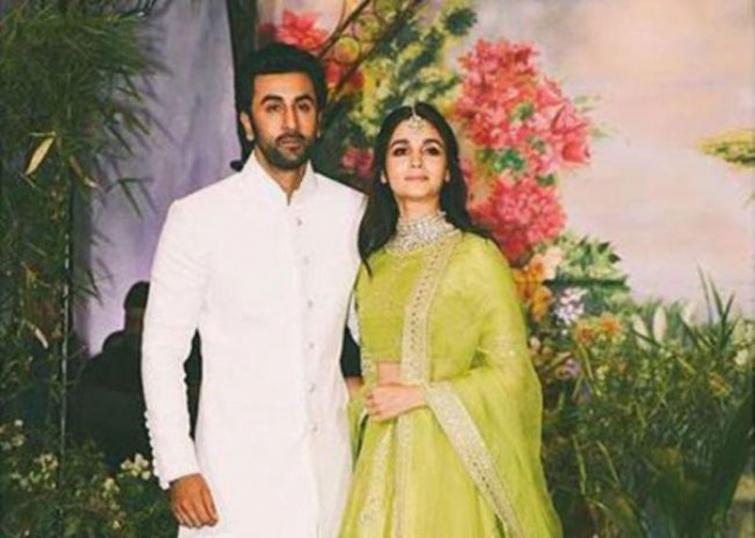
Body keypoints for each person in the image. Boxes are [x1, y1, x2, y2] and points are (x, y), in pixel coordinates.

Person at [142, 43, 364, 537]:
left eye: (303, 106)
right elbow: (161, 351)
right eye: (272, 107)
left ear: (319, 119)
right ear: (247, 122)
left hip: (331, 477)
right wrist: (179, 466)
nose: (290, 122)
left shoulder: (352, 212)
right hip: (233, 481)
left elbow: (371, 332)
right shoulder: (199, 218)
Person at [339, 103, 562, 537]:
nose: (416, 161)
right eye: (401, 150)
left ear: (447, 172)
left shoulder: (476, 256)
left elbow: (512, 374)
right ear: (382, 172)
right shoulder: (372, 266)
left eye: (431, 150)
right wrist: (363, 399)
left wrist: (421, 396)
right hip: (379, 470)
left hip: (450, 465)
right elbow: (365, 373)